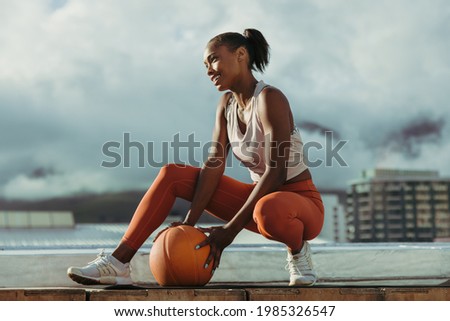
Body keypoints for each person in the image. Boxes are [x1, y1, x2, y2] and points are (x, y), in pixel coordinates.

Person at [67, 28, 324, 287]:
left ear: (241, 55)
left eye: (213, 59)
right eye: (205, 65)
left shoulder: (270, 99)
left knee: (269, 209)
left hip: (300, 207)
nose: (209, 70)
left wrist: (230, 232)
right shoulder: (227, 105)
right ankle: (118, 263)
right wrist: (189, 223)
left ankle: (298, 252)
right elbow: (214, 165)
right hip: (259, 202)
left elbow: (276, 173)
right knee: (172, 174)